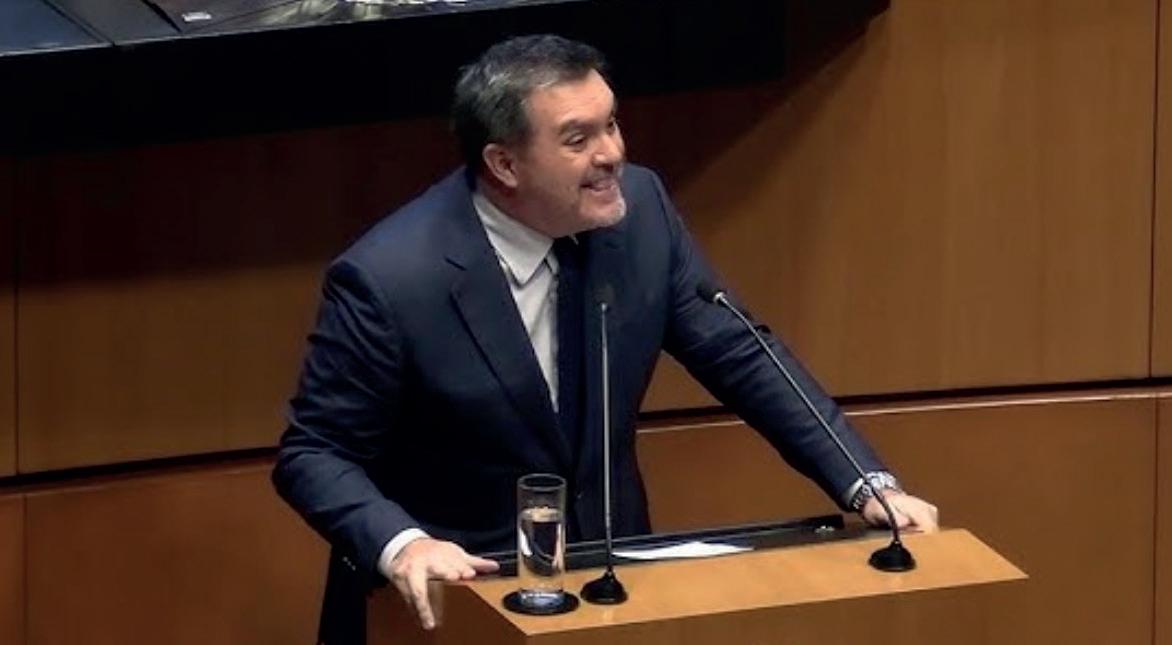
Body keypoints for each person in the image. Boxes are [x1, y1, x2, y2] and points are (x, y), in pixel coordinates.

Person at [273, 34, 938, 644]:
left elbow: (739, 353)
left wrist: (865, 483)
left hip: (609, 592)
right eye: (578, 138)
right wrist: (405, 544)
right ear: (504, 163)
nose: (612, 153)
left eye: (611, 124)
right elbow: (314, 452)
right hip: (456, 599)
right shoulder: (392, 277)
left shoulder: (640, 213)